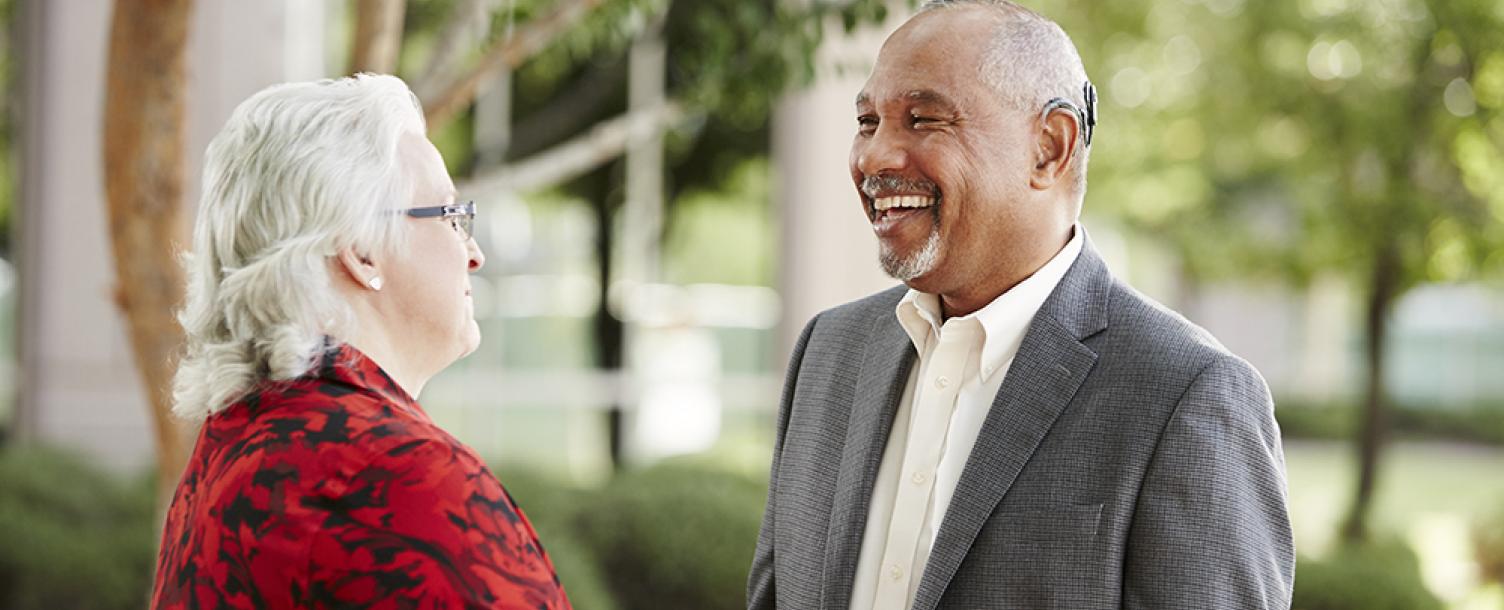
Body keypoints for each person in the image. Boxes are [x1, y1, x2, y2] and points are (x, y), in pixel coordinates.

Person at [747, 2, 1294, 609]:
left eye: (923, 119)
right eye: (868, 121)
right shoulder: (828, 351)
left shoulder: (1188, 395)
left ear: (1049, 148)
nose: (875, 157)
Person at [151, 74, 571, 609]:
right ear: (361, 250)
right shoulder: (404, 474)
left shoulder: (232, 451)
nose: (473, 254)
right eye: (450, 216)